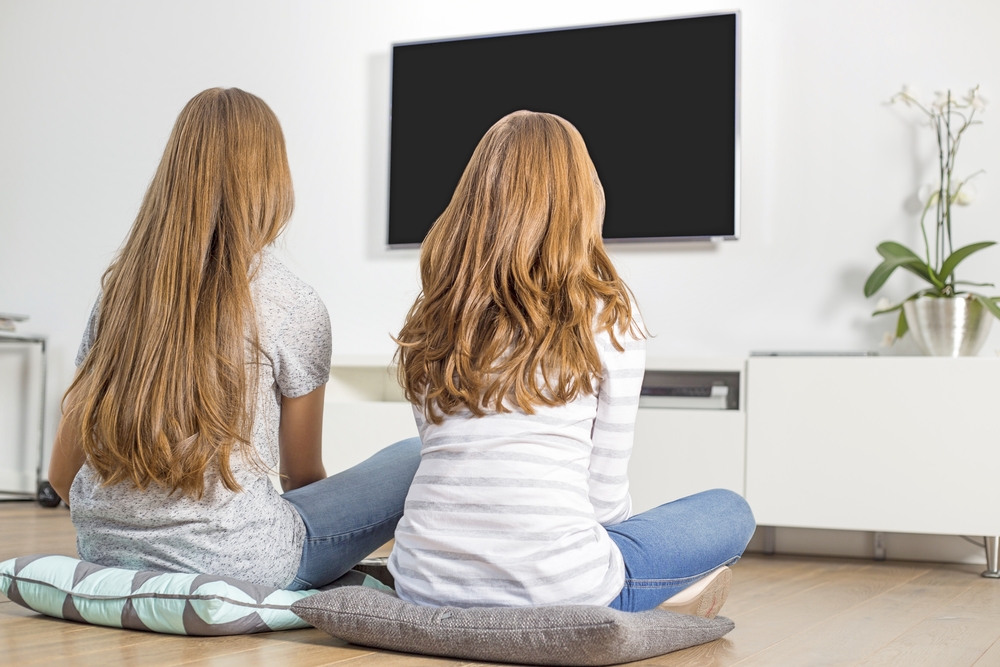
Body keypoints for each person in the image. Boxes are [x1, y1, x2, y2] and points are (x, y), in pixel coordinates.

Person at [48, 88, 421, 591]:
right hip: (240, 564)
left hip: (104, 550)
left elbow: (61, 475)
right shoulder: (292, 302)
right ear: (271, 180)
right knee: (419, 453)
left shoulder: (119, 292)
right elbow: (300, 477)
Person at [388, 110, 755, 614]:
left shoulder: (435, 317)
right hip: (560, 590)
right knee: (730, 511)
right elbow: (603, 500)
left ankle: (643, 588)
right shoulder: (607, 315)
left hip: (421, 584)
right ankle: (648, 597)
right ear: (583, 199)